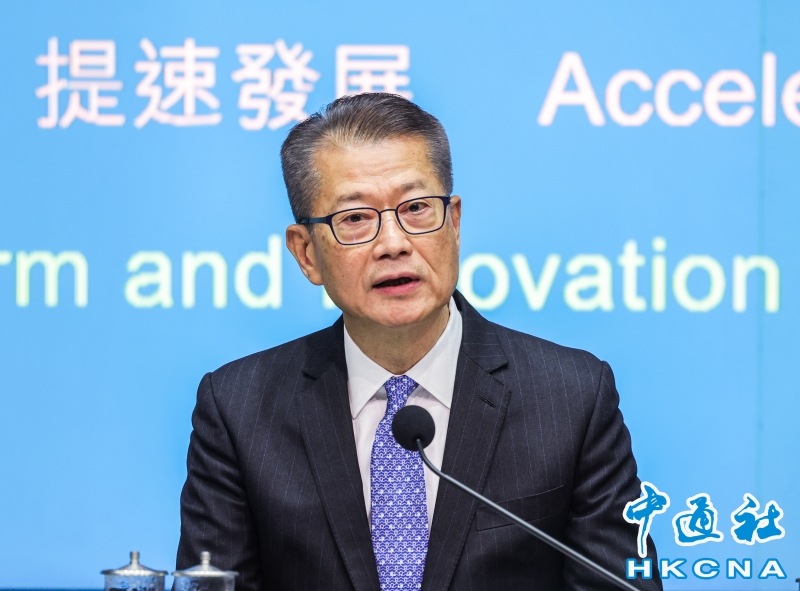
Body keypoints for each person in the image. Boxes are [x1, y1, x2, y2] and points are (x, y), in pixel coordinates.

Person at [176, 93, 662, 591]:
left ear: (454, 223)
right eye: (355, 218)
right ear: (306, 254)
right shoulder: (239, 410)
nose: (393, 243)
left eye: (416, 209)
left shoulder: (571, 397)